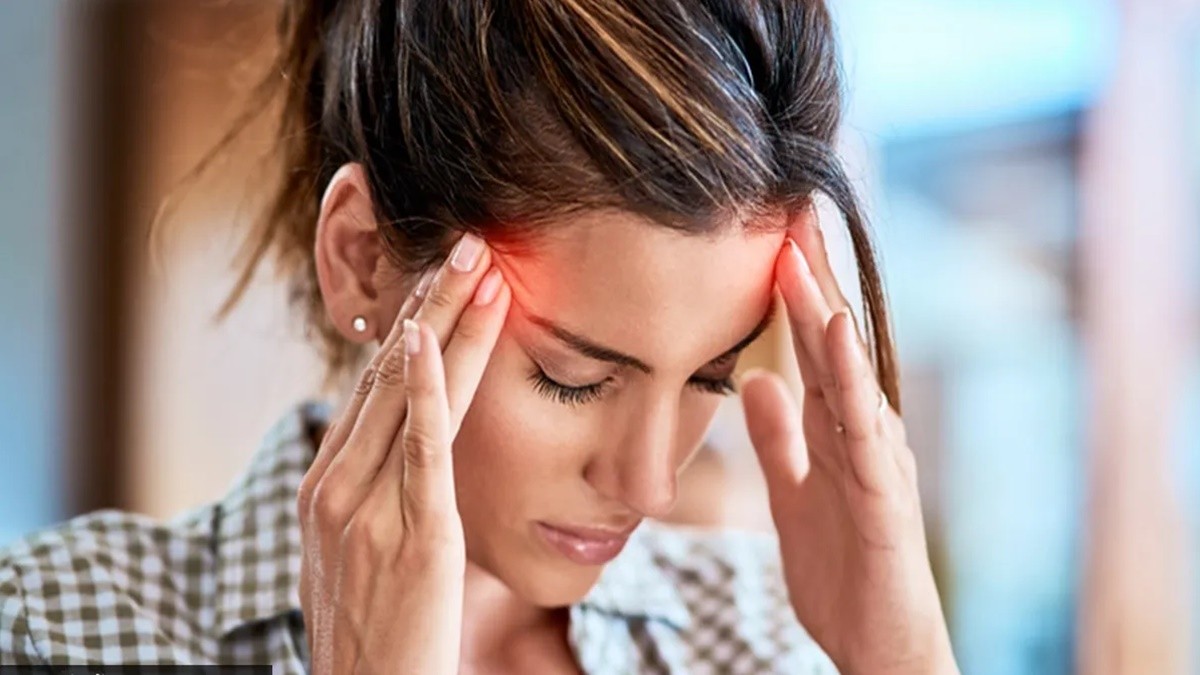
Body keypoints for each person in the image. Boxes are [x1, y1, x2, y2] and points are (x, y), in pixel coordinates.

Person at [0, 1, 960, 673]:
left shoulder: (763, 644)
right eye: (571, 376)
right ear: (363, 259)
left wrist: (904, 655)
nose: (650, 487)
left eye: (712, 374)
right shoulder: (52, 630)